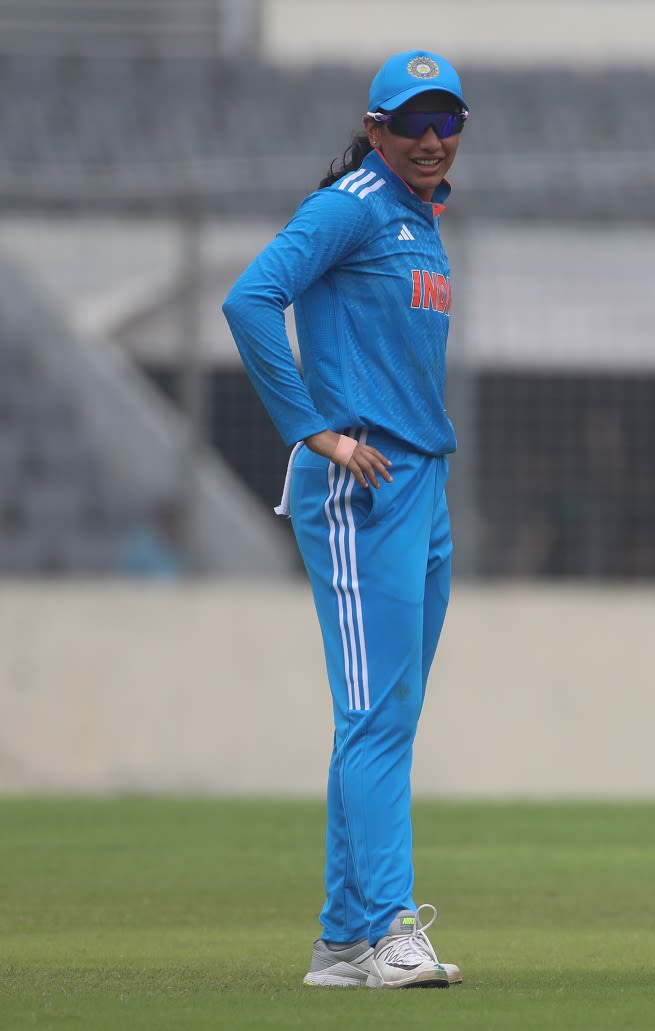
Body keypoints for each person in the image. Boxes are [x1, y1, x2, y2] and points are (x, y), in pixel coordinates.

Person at [222, 50, 469, 989]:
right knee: (374, 714)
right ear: (376, 129)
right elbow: (249, 300)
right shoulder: (350, 207)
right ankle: (393, 928)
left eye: (447, 120)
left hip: (421, 483)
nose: (432, 139)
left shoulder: (418, 217)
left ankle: (340, 939)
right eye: (412, 122)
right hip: (362, 481)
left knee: (386, 714)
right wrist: (314, 432)